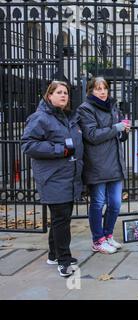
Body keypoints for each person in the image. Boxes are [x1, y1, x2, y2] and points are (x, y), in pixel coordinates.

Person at [21, 81, 83, 277]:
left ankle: (54, 254)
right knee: (61, 219)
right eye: (59, 92)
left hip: (68, 176)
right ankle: (64, 261)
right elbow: (28, 145)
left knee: (60, 219)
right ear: (49, 96)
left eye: (65, 93)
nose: (64, 95)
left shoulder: (67, 117)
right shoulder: (40, 118)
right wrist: (59, 149)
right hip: (52, 177)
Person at [77, 77, 131, 254]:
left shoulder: (112, 106)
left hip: (115, 162)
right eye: (98, 89)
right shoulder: (85, 109)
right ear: (90, 91)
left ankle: (108, 235)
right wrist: (117, 128)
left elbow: (117, 133)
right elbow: (92, 135)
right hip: (97, 163)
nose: (102, 92)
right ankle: (97, 240)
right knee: (98, 203)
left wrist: (124, 131)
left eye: (105, 88)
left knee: (115, 203)